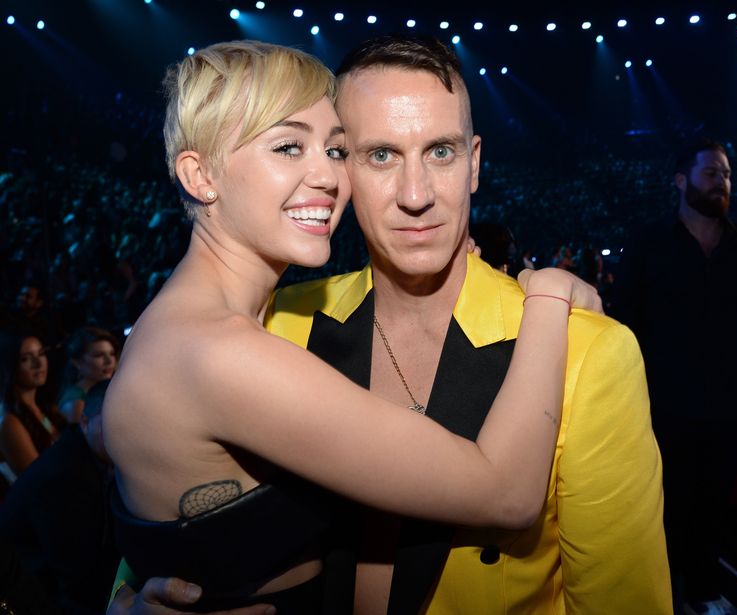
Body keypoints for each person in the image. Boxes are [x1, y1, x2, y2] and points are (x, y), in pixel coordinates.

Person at [112, 35, 670, 615]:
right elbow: (164, 491)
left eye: (441, 152)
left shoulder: (590, 351)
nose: (415, 194)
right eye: (380, 155)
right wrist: (126, 600)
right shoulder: (275, 330)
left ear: (474, 163)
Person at [613, 138, 737, 614]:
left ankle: (702, 594)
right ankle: (661, 597)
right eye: (711, 173)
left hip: (731, 409)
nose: (722, 182)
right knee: (663, 508)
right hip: (664, 408)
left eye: (727, 174)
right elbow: (625, 325)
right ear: (681, 181)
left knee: (717, 508)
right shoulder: (648, 243)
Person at [0, 379, 119, 614]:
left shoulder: (91, 455)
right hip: (33, 592)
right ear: (84, 422)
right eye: (111, 423)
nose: (122, 433)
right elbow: (75, 572)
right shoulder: (65, 474)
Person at [0, 331, 66, 477]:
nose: (38, 363)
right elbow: (37, 479)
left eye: (41, 354)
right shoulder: (9, 422)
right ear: (9, 366)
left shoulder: (47, 408)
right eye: (26, 359)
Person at [58, 326, 119, 424]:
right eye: (98, 355)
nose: (109, 361)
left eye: (112, 354)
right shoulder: (76, 405)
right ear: (77, 362)